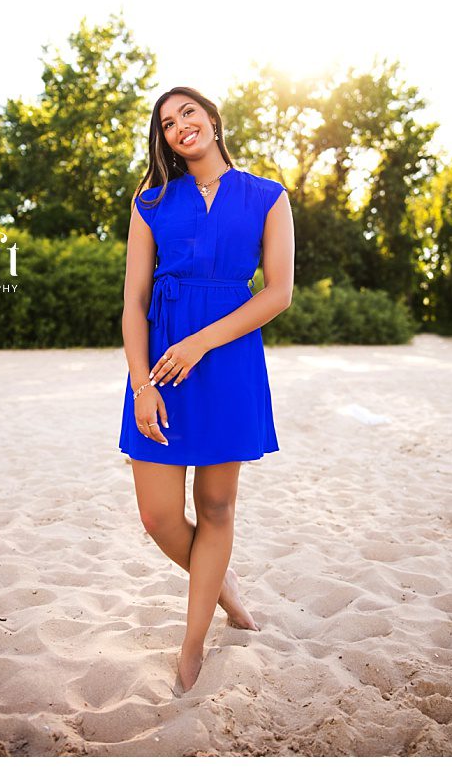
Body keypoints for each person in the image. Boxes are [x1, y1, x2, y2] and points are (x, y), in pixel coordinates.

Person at [115, 85, 295, 694]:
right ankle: (223, 585)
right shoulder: (151, 202)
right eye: (167, 123)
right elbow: (133, 302)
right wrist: (142, 384)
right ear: (163, 139)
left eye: (188, 112)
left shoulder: (267, 197)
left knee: (217, 508)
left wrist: (200, 343)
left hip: (226, 362)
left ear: (213, 121)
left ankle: (193, 642)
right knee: (159, 515)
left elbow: (277, 293)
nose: (178, 126)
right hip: (159, 366)